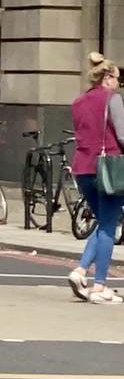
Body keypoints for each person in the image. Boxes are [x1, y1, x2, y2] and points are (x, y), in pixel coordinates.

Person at [70, 55, 124, 304]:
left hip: (82, 167)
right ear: (106, 78)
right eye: (116, 78)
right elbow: (122, 135)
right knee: (108, 226)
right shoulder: (112, 99)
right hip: (108, 166)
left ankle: (81, 272)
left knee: (102, 223)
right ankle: (100, 285)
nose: (118, 84)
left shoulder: (78, 102)